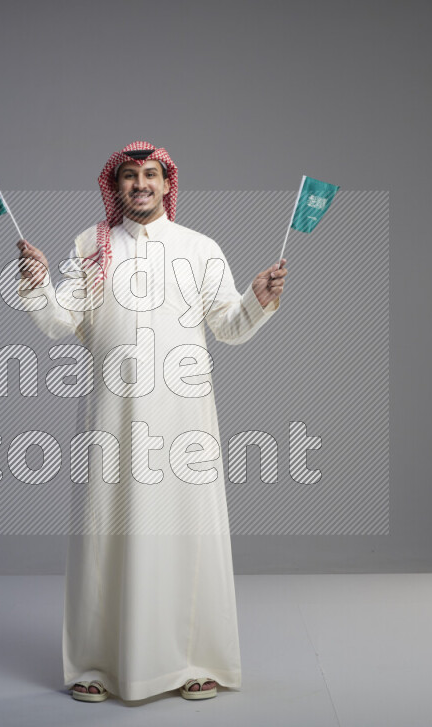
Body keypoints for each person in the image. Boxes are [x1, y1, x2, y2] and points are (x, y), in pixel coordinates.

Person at [15, 140, 287, 703]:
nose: (140, 184)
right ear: (115, 187)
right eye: (130, 176)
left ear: (167, 184)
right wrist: (39, 283)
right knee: (104, 534)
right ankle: (96, 665)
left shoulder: (200, 248)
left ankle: (194, 661)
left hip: (184, 419)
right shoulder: (91, 247)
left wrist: (256, 301)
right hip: (111, 416)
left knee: (187, 532)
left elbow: (229, 327)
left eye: (151, 175)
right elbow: (61, 323)